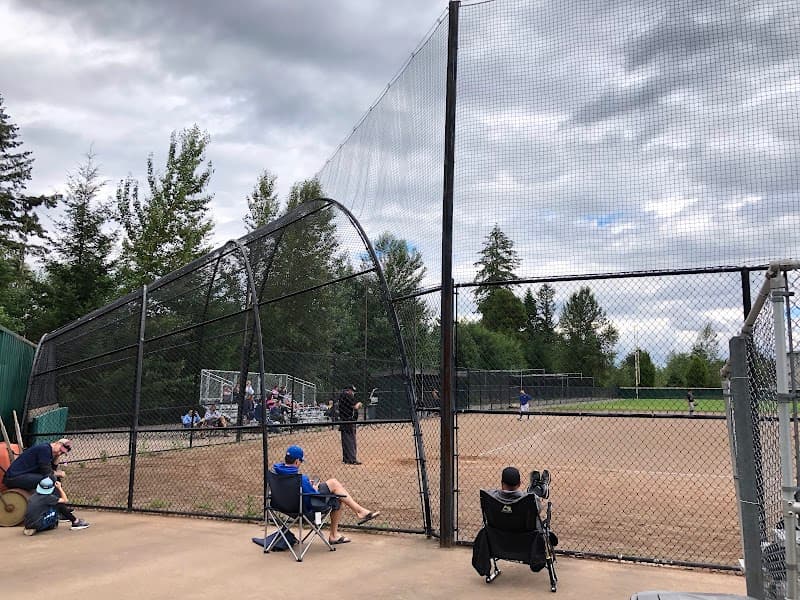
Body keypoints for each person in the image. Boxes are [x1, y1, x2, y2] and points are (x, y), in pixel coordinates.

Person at [273, 445, 379, 544]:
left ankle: (358, 513)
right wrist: (313, 488)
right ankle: (339, 530)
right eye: (300, 461)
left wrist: (307, 486)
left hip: (284, 507)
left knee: (334, 487)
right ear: (296, 461)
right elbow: (314, 496)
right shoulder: (301, 479)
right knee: (336, 495)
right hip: (305, 509)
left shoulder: (276, 473)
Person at [23, 476, 89, 535]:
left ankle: (42, 525)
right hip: (38, 524)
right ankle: (75, 522)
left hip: (27, 524)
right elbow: (65, 500)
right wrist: (60, 488)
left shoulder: (34, 496)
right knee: (59, 504)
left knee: (52, 506)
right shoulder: (47, 497)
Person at [3, 438, 72, 492]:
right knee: (52, 478)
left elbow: (52, 469)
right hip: (13, 478)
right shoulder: (45, 449)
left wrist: (57, 456)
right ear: (57, 443)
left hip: (23, 476)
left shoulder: (49, 451)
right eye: (60, 450)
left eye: (62, 453)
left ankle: (59, 506)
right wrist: (59, 473)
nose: (59, 453)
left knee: (55, 479)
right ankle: (44, 504)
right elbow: (47, 472)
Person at [338, 384, 362, 465]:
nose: (353, 393)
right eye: (352, 391)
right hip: (349, 421)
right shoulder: (347, 395)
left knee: (345, 440)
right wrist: (359, 404)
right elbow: (355, 406)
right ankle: (352, 459)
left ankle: (346, 459)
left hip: (344, 421)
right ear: (349, 390)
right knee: (351, 440)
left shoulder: (342, 396)